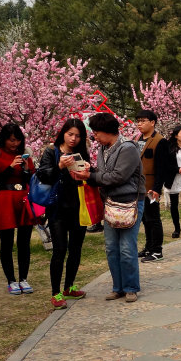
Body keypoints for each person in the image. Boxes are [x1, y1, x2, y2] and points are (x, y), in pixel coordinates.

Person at [72, 112, 144, 302]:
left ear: (107, 131)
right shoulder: (105, 148)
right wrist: (91, 171)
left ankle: (131, 288)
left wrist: (91, 177)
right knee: (112, 248)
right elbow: (105, 174)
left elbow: (118, 176)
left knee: (127, 247)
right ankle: (117, 287)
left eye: (96, 132)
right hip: (111, 203)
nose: (94, 135)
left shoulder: (128, 148)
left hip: (129, 202)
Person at [35, 118, 91, 309]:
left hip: (79, 207)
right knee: (60, 250)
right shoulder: (52, 151)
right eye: (70, 134)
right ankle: (55, 293)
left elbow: (88, 176)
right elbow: (42, 175)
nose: (73, 139)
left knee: (76, 248)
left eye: (77, 135)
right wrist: (59, 166)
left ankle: (69, 287)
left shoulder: (81, 152)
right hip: (58, 208)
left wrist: (88, 170)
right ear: (63, 134)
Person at [0, 123, 38, 295]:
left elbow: (31, 179)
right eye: (11, 140)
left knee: (24, 242)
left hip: (23, 198)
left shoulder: (24, 154)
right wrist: (10, 167)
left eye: (18, 140)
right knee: (6, 242)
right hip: (5, 199)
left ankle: (23, 279)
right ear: (4, 139)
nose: (15, 144)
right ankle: (11, 281)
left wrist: (27, 169)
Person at [134, 109, 168, 262]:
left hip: (151, 188)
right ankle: (149, 247)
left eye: (143, 121)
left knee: (153, 218)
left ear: (152, 122)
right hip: (138, 187)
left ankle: (157, 250)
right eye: (138, 121)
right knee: (144, 218)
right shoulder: (138, 139)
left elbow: (162, 168)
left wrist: (156, 188)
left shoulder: (160, 141)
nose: (139, 124)